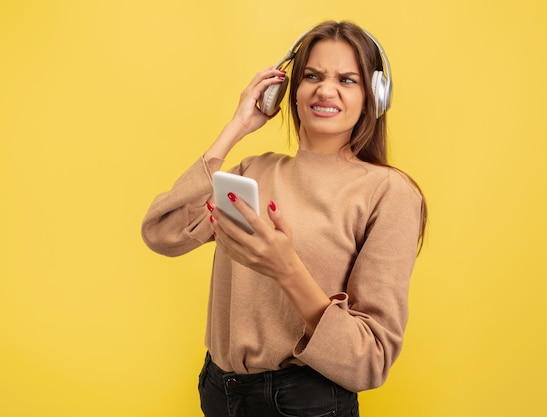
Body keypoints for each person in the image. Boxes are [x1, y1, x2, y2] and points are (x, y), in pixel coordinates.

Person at [141, 20, 427, 417]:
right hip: (218, 391)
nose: (325, 89)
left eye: (347, 80)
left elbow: (370, 360)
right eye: (312, 76)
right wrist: (236, 128)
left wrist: (287, 269)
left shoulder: (389, 193)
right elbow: (163, 233)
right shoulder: (252, 172)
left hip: (302, 403)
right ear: (287, 91)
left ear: (375, 97)